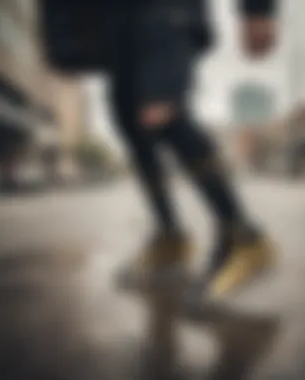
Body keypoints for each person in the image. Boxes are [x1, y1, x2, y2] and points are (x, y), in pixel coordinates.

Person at [41, 0, 279, 301]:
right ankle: (171, 237)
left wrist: (258, 9)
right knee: (132, 130)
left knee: (162, 111)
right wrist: (64, 41)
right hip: (115, 25)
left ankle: (244, 236)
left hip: (164, 9)